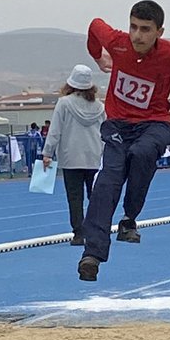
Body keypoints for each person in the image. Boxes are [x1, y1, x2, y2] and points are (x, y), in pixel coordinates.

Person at [77, 0, 170, 281]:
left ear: (159, 31)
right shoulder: (118, 43)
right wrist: (98, 57)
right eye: (133, 27)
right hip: (119, 123)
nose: (137, 36)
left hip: (154, 123)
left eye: (145, 29)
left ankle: (129, 217)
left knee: (143, 153)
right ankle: (91, 255)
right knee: (107, 182)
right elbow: (95, 25)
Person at [41, 64, 105, 245]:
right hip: (94, 156)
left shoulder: (64, 103)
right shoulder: (99, 107)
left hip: (71, 158)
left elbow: (55, 131)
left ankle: (79, 233)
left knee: (74, 197)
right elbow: (105, 131)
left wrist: (47, 153)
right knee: (96, 197)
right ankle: (97, 230)